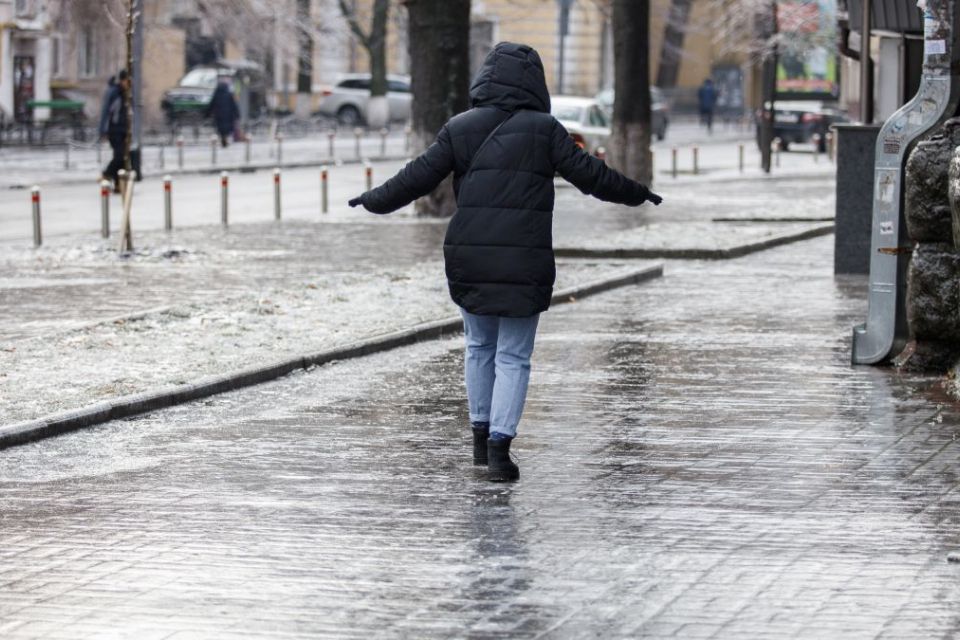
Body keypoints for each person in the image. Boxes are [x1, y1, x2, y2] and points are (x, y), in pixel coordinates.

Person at [347, 42, 662, 482]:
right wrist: (637, 192)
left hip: (469, 256)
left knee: (479, 347)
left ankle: (479, 442)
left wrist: (372, 200)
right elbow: (591, 176)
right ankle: (499, 451)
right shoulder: (545, 130)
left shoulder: (460, 128)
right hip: (524, 261)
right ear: (535, 82)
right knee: (513, 355)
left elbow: (416, 177)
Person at [100, 70, 129, 194]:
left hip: (123, 130)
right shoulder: (114, 93)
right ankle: (106, 174)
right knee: (119, 155)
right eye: (128, 81)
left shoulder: (125, 93)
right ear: (122, 80)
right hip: (114, 130)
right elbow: (106, 112)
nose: (129, 84)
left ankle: (118, 184)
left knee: (123, 159)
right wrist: (103, 131)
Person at [206, 78, 240, 147]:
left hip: (219, 115)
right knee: (226, 129)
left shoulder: (216, 94)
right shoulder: (229, 94)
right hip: (228, 115)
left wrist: (207, 114)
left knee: (221, 129)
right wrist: (237, 114)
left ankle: (223, 139)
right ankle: (225, 139)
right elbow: (234, 105)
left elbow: (212, 104)